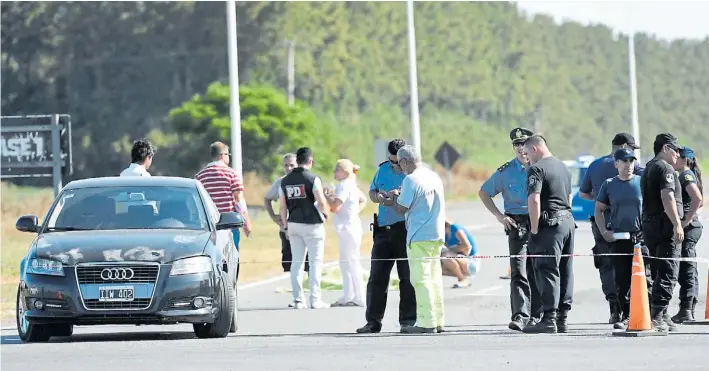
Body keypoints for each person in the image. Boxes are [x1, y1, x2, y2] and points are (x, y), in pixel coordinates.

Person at [478, 127, 542, 332]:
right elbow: (484, 192)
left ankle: (539, 315)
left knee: (539, 270)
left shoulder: (542, 167)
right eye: (516, 145)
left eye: (524, 144)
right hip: (517, 224)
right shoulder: (506, 172)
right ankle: (520, 315)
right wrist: (499, 216)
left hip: (540, 222)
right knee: (519, 271)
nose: (521, 149)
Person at [578, 133, 643, 324]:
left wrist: (601, 201)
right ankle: (634, 308)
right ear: (622, 146)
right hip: (628, 223)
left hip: (602, 224)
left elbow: (583, 193)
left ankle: (615, 308)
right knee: (635, 266)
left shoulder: (595, 164)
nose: (630, 158)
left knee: (607, 266)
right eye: (631, 149)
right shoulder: (634, 167)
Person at [356, 138, 416, 334]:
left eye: (398, 162)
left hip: (405, 229)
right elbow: (372, 192)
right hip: (383, 230)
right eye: (392, 162)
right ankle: (373, 321)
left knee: (406, 278)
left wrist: (398, 195)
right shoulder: (382, 170)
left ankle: (407, 321)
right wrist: (379, 197)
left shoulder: (414, 175)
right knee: (376, 279)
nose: (395, 166)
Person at [520, 135, 575, 334]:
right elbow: (567, 196)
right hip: (567, 222)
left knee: (547, 269)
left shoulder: (537, 169)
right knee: (565, 270)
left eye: (526, 153)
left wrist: (534, 229)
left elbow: (534, 200)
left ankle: (549, 318)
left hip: (550, 225)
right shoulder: (563, 166)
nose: (526, 158)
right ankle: (562, 318)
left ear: (535, 149)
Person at [593, 148, 652, 330]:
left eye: (631, 161)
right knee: (621, 279)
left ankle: (648, 314)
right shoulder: (609, 185)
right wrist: (604, 232)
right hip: (619, 238)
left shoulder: (641, 182)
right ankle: (626, 315)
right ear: (616, 164)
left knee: (646, 278)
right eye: (625, 161)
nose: (629, 165)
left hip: (641, 238)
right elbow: (599, 210)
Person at [392, 145, 446, 334]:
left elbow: (401, 207)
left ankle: (427, 322)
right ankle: (438, 319)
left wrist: (394, 197)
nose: (399, 167)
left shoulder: (410, 180)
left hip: (419, 234)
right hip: (436, 232)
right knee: (434, 278)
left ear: (405, 161)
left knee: (420, 279)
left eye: (399, 163)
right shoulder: (433, 176)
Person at [640, 133, 684, 332]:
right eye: (675, 151)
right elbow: (667, 197)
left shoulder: (648, 167)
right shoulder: (665, 168)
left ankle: (661, 312)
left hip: (650, 224)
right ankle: (657, 315)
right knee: (668, 271)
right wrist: (677, 224)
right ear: (665, 148)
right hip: (664, 225)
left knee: (658, 270)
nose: (677, 156)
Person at [279, 147, 331, 309]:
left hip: (293, 223)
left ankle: (298, 300)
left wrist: (285, 224)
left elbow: (282, 206)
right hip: (312, 224)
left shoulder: (285, 181)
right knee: (315, 262)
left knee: (297, 262)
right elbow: (321, 201)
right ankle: (315, 300)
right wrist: (326, 213)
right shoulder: (313, 178)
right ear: (310, 161)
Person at [195, 141, 253, 253]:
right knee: (232, 257)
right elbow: (238, 200)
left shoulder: (200, 176)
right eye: (228, 155)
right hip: (229, 224)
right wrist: (246, 222)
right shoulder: (231, 174)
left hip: (208, 225)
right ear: (223, 155)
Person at [326, 159, 368, 307]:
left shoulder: (344, 185)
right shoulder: (351, 185)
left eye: (336, 170)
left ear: (344, 172)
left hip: (348, 228)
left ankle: (360, 296)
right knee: (345, 262)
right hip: (350, 227)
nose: (334, 173)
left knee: (351, 262)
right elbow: (363, 200)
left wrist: (328, 197)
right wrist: (354, 211)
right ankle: (348, 294)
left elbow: (336, 207)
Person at [670, 146, 703, 323]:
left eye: (677, 157)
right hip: (692, 226)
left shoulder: (686, 175)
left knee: (687, 268)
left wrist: (685, 221)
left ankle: (687, 308)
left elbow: (698, 199)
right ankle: (687, 307)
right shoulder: (686, 174)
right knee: (688, 267)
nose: (674, 160)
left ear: (684, 159)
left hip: (690, 228)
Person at [264, 153, 310, 274]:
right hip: (286, 228)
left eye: (292, 165)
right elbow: (267, 198)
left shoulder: (306, 179)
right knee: (288, 261)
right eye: (286, 166)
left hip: (306, 225)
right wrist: (273, 216)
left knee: (307, 262)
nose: (289, 168)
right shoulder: (280, 182)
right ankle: (291, 287)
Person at [442, 220, 479, 288]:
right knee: (439, 266)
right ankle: (464, 277)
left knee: (446, 256)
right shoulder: (444, 236)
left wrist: (452, 251)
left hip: (472, 262)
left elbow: (467, 247)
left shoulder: (454, 228)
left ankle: (462, 279)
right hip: (462, 261)